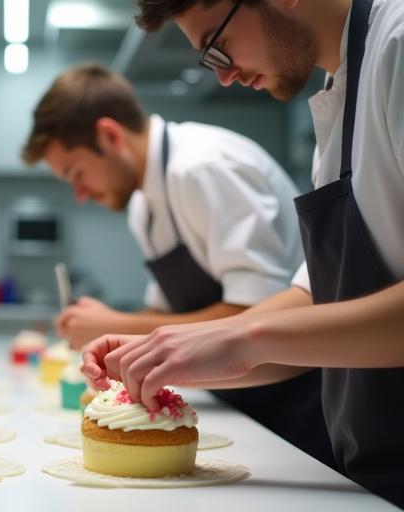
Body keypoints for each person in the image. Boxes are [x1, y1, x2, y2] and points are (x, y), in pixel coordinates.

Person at [82, 0, 404, 506]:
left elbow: (269, 329)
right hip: (371, 469)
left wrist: (243, 336)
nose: (225, 75)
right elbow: (320, 296)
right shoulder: (339, 98)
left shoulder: (398, 45)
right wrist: (171, 346)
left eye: (217, 43)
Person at [22, 63, 333, 467]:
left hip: (294, 400)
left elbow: (252, 314)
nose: (80, 193)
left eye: (76, 173)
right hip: (233, 396)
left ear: (109, 135)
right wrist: (114, 333)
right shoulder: (144, 204)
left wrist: (112, 325)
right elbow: (166, 315)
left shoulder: (202, 169)